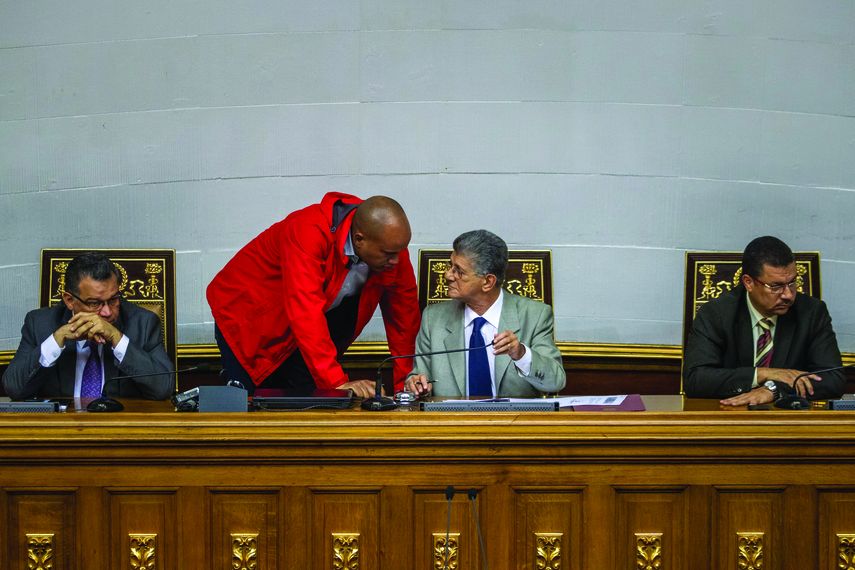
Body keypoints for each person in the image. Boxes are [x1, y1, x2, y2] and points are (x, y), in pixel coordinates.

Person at [206, 192, 420, 398]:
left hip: (305, 335)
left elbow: (405, 322)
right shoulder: (307, 230)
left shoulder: (391, 249)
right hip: (247, 322)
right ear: (359, 239)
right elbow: (305, 313)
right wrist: (336, 381)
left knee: (309, 407)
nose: (397, 261)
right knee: (252, 408)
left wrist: (404, 388)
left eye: (399, 252)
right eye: (389, 254)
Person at [683, 236, 844, 406]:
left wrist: (774, 389)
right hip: (728, 418)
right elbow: (695, 380)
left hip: (789, 422)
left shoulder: (811, 312)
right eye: (776, 286)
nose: (788, 294)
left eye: (792, 283)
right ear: (749, 283)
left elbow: (833, 379)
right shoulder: (717, 313)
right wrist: (762, 374)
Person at [405, 229, 565, 398]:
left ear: (488, 282)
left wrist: (521, 354)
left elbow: (555, 381)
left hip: (513, 421)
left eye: (459, 271)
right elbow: (418, 377)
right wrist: (415, 384)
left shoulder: (535, 315)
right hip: (452, 421)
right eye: (449, 266)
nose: (448, 275)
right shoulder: (433, 318)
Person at [2, 252, 174, 400]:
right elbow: (14, 389)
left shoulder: (143, 323)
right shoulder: (39, 323)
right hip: (60, 429)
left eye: (114, 299)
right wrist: (57, 340)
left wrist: (117, 338)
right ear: (69, 300)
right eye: (94, 303)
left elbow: (163, 388)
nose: (107, 312)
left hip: (121, 428)